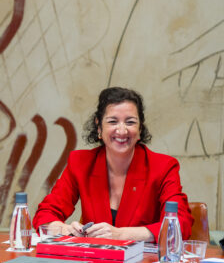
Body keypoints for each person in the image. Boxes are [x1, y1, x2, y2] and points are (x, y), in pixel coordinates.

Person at [33, 87, 193, 242]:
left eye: (130, 122)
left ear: (140, 129)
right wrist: (64, 230)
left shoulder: (163, 167)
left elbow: (180, 224)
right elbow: (45, 214)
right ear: (99, 127)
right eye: (113, 121)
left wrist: (122, 234)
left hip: (143, 260)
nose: (122, 130)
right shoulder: (81, 163)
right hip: (95, 259)